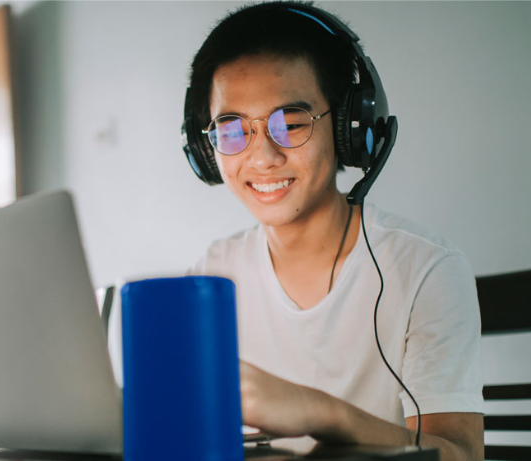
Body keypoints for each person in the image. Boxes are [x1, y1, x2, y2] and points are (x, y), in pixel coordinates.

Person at [182, 2, 484, 460]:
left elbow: (462, 454)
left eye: (291, 123)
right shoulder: (211, 274)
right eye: (232, 128)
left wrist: (320, 412)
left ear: (349, 127)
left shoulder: (427, 270)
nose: (262, 157)